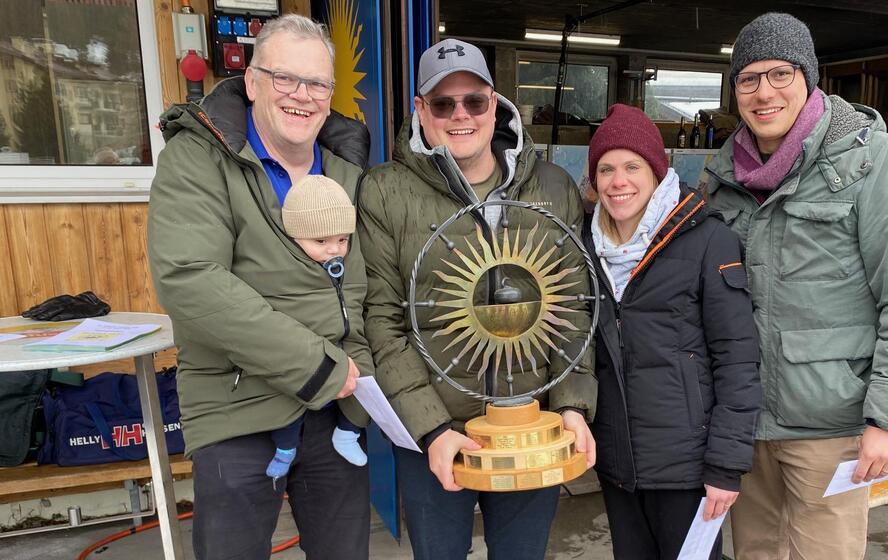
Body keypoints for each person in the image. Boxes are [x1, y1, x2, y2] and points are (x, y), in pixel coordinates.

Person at [704, 13, 888, 559]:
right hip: (745, 420)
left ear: (809, 78)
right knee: (755, 552)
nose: (764, 92)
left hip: (830, 423)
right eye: (748, 78)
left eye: (780, 74)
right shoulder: (722, 177)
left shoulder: (874, 160)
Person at [357, 38, 596, 559]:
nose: (459, 115)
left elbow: (574, 307)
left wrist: (573, 407)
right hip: (435, 435)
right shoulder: (383, 191)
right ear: (421, 110)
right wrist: (432, 429)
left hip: (529, 424)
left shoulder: (553, 186)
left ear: (495, 102)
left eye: (473, 101)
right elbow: (382, 320)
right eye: (443, 103)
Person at [147, 15, 373, 559]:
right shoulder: (197, 157)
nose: (303, 96)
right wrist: (318, 366)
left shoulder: (349, 167)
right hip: (238, 407)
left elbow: (368, 286)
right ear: (251, 82)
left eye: (318, 83)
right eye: (284, 78)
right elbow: (191, 280)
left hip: (338, 408)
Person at [584, 104, 762, 560]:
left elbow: (737, 358)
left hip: (688, 466)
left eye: (631, 166)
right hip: (619, 463)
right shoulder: (585, 247)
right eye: (605, 169)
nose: (617, 181)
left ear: (657, 171)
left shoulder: (706, 239)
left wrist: (725, 464)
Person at [263, 174, 368, 480]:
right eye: (320, 241)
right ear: (294, 238)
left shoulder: (341, 265)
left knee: (368, 380)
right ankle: (285, 447)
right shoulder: (286, 268)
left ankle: (348, 432)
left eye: (342, 239)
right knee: (289, 397)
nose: (334, 249)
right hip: (305, 351)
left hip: (346, 343)